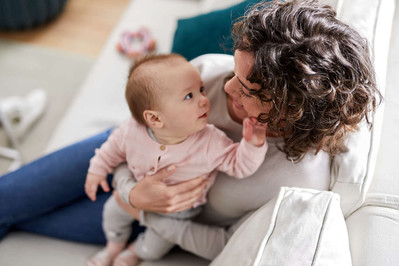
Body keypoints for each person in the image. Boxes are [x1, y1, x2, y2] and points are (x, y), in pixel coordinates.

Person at [0, 0, 380, 264]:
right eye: (235, 70)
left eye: (246, 91)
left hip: (160, 222)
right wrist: (130, 190)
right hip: (128, 162)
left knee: (14, 216)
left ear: (288, 110)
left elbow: (225, 244)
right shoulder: (212, 73)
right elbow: (135, 133)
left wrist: (153, 216)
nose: (226, 87)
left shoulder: (293, 180)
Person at [85, 53, 267, 266]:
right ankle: (113, 246)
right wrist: (96, 170)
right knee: (112, 213)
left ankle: (135, 251)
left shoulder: (211, 142)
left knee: (156, 246)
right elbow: (111, 150)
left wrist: (253, 144)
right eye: (189, 96)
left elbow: (240, 166)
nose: (204, 100)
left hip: (178, 212)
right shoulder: (131, 130)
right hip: (134, 189)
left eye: (201, 90)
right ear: (154, 118)